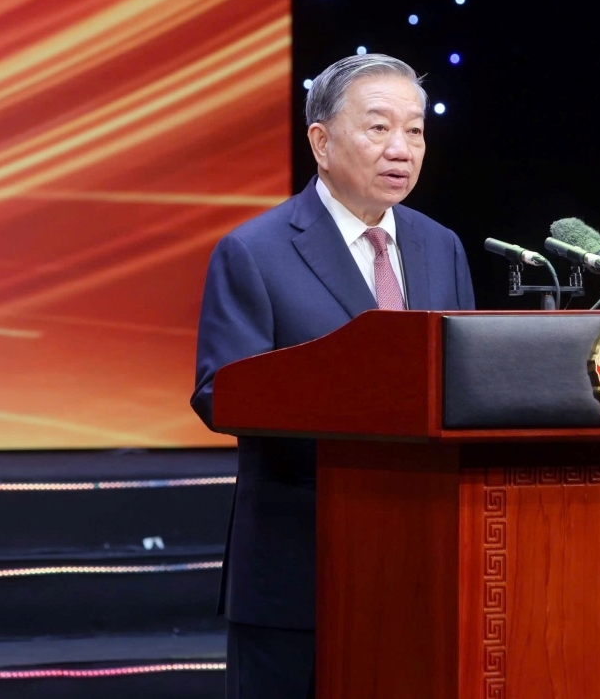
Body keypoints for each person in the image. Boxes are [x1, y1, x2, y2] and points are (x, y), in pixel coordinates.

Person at [190, 54, 475, 698]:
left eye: (416, 130)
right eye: (378, 128)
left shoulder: (442, 245)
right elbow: (220, 392)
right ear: (320, 141)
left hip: (423, 568)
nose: (401, 149)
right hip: (300, 570)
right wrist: (358, 398)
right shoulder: (254, 250)